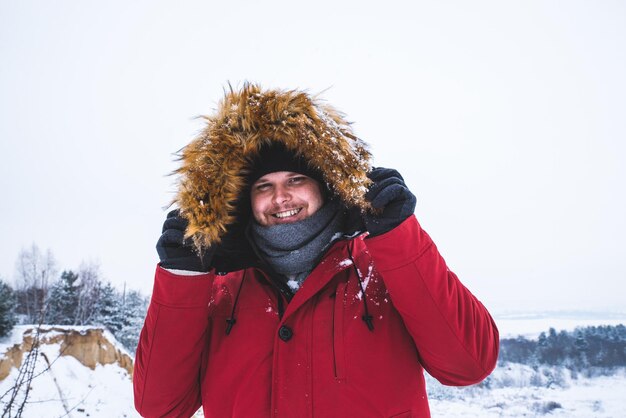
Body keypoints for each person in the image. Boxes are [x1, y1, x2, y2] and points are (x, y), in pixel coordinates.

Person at [133, 84, 499, 418]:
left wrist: (400, 235)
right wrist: (182, 276)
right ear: (245, 200)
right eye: (264, 186)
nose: (281, 197)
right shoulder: (220, 292)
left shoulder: (382, 271)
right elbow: (160, 406)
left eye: (296, 179)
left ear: (325, 186)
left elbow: (469, 363)